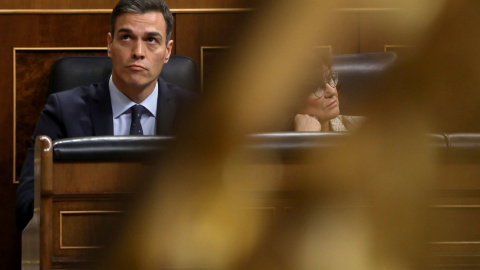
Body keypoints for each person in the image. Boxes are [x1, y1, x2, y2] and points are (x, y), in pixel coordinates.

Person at [15, 0, 197, 231]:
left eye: (151, 40)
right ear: (110, 44)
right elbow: (27, 206)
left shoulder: (197, 115)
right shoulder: (64, 110)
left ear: (167, 51)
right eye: (126, 38)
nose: (138, 52)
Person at [294, 54, 364, 132]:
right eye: (316, 88)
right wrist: (304, 139)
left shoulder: (364, 129)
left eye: (329, 78)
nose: (332, 91)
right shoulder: (278, 141)